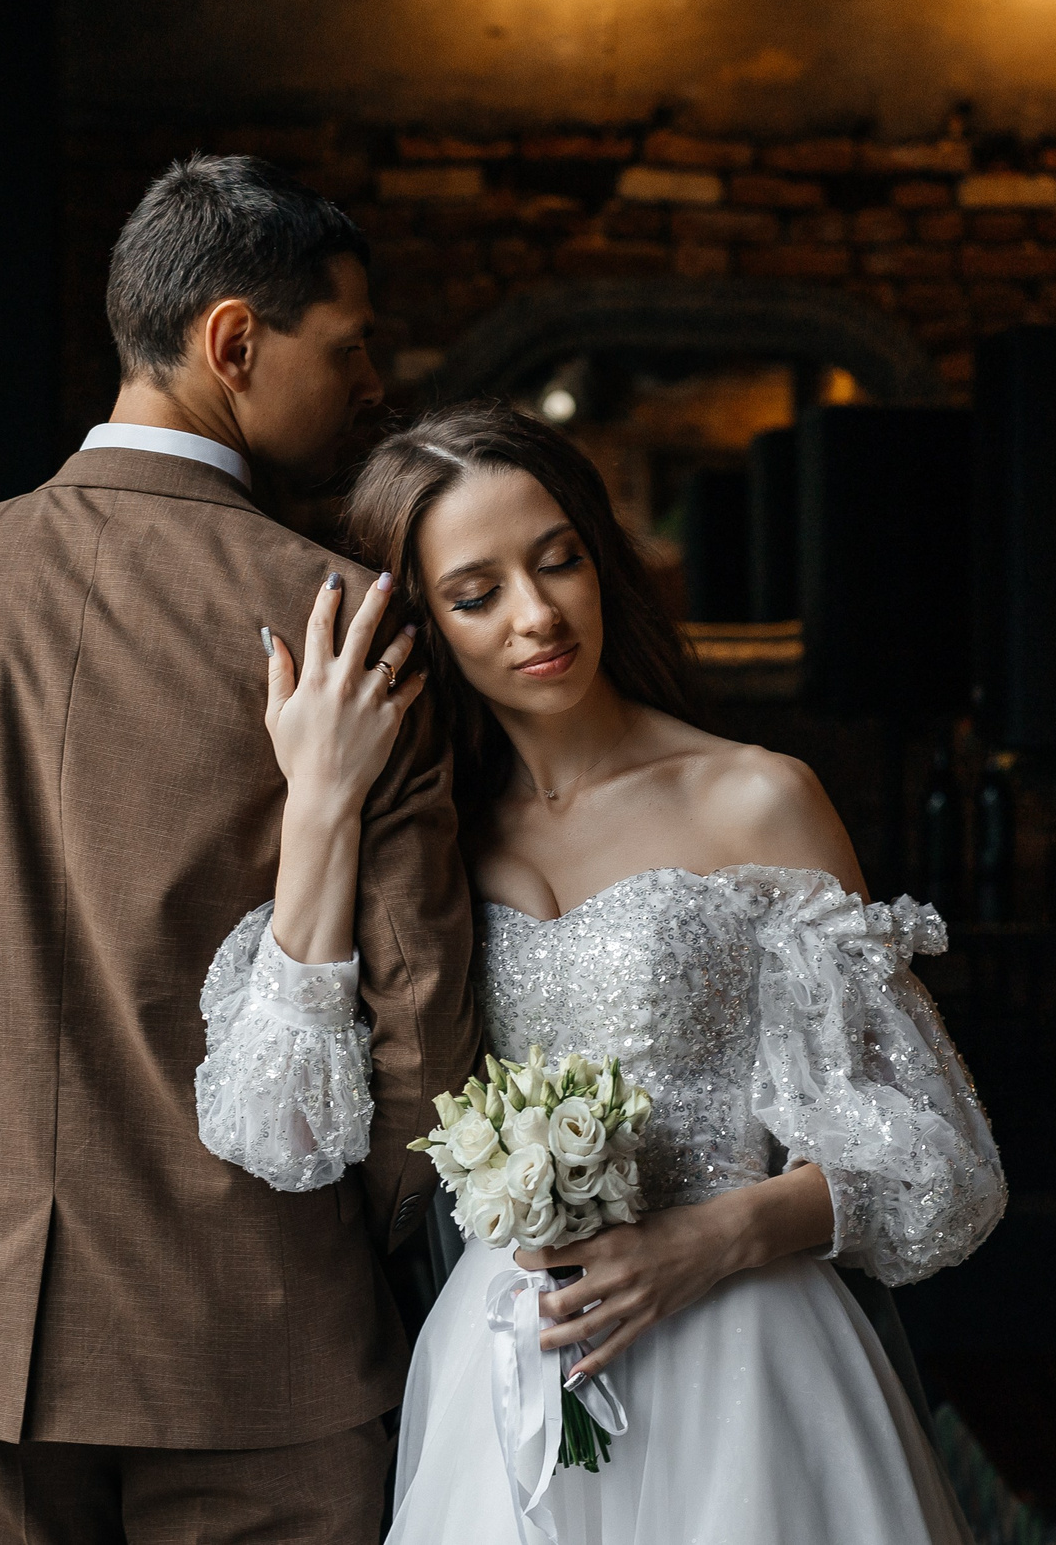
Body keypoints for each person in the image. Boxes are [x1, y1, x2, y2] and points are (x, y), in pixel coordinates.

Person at [0, 155, 481, 1543]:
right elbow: (423, 1025)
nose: (370, 384)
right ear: (233, 340)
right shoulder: (345, 618)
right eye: (345, 347)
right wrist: (360, 1228)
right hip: (268, 1342)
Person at [198, 401, 1007, 1544]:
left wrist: (712, 1240)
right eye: (477, 595)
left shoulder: (754, 796)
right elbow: (276, 1127)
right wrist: (323, 800)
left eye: (559, 561)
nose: (537, 615)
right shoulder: (418, 847)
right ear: (421, 624)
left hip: (748, 1365)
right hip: (507, 1371)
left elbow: (941, 1161)